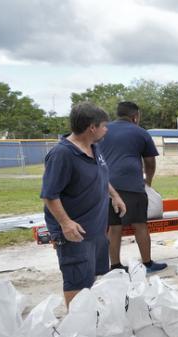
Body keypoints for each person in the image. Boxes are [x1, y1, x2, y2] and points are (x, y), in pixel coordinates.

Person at [41, 102, 126, 306]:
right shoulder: (62, 154)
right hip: (75, 233)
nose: (106, 130)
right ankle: (77, 329)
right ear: (92, 127)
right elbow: (49, 195)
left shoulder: (94, 148)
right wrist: (65, 223)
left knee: (93, 277)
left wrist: (114, 195)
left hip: (96, 230)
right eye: (104, 125)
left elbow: (101, 175)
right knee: (76, 282)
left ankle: (90, 318)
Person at [97, 101, 167, 273]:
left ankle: (115, 266)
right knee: (140, 225)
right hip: (131, 185)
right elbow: (149, 162)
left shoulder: (102, 130)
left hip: (107, 186)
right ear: (135, 116)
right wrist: (148, 181)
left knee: (114, 227)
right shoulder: (140, 132)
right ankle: (147, 262)